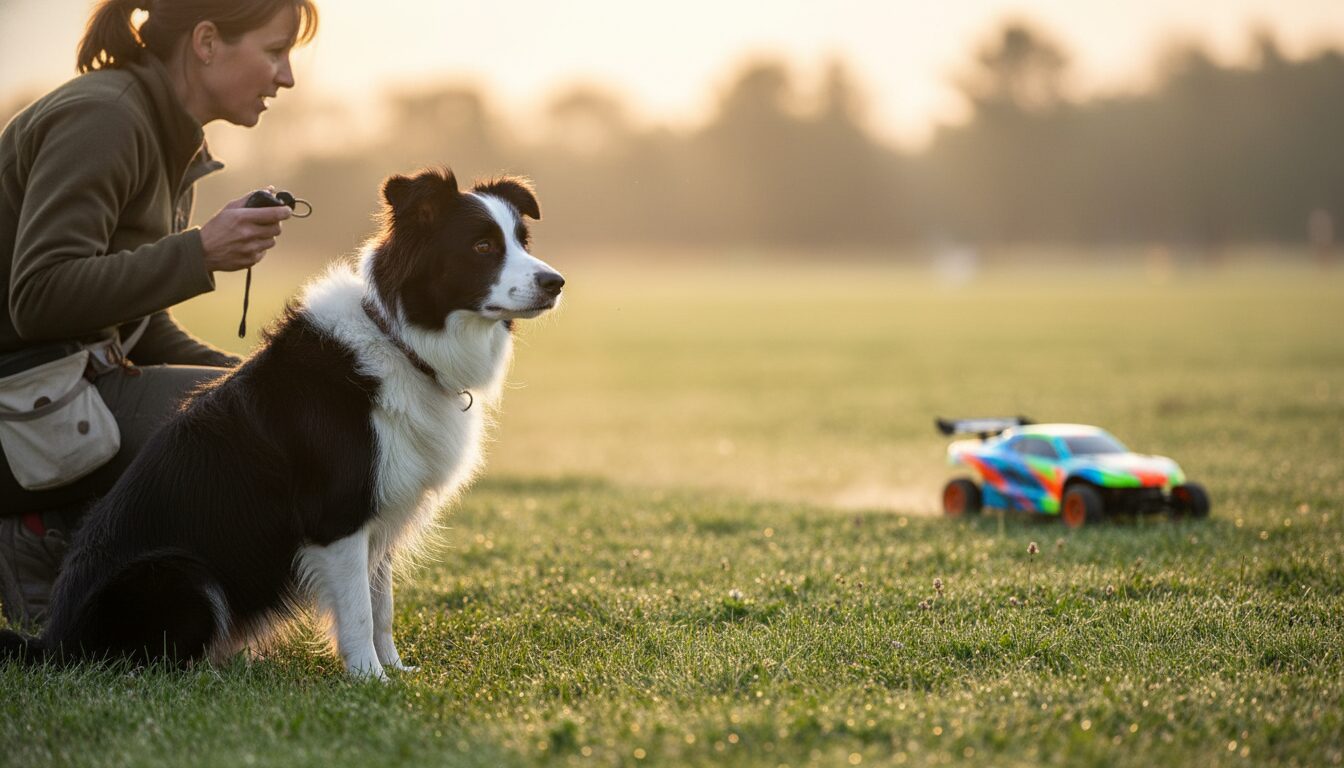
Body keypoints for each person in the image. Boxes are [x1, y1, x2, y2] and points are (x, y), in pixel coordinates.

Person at [0, 0, 319, 628]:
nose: (286, 76)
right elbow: (38, 297)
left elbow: (141, 334)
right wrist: (200, 253)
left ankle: (66, 530)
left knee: (276, 408)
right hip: (20, 406)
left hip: (59, 393)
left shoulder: (163, 134)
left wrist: (267, 377)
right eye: (275, 50)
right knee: (250, 435)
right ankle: (38, 531)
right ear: (207, 41)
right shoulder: (105, 118)